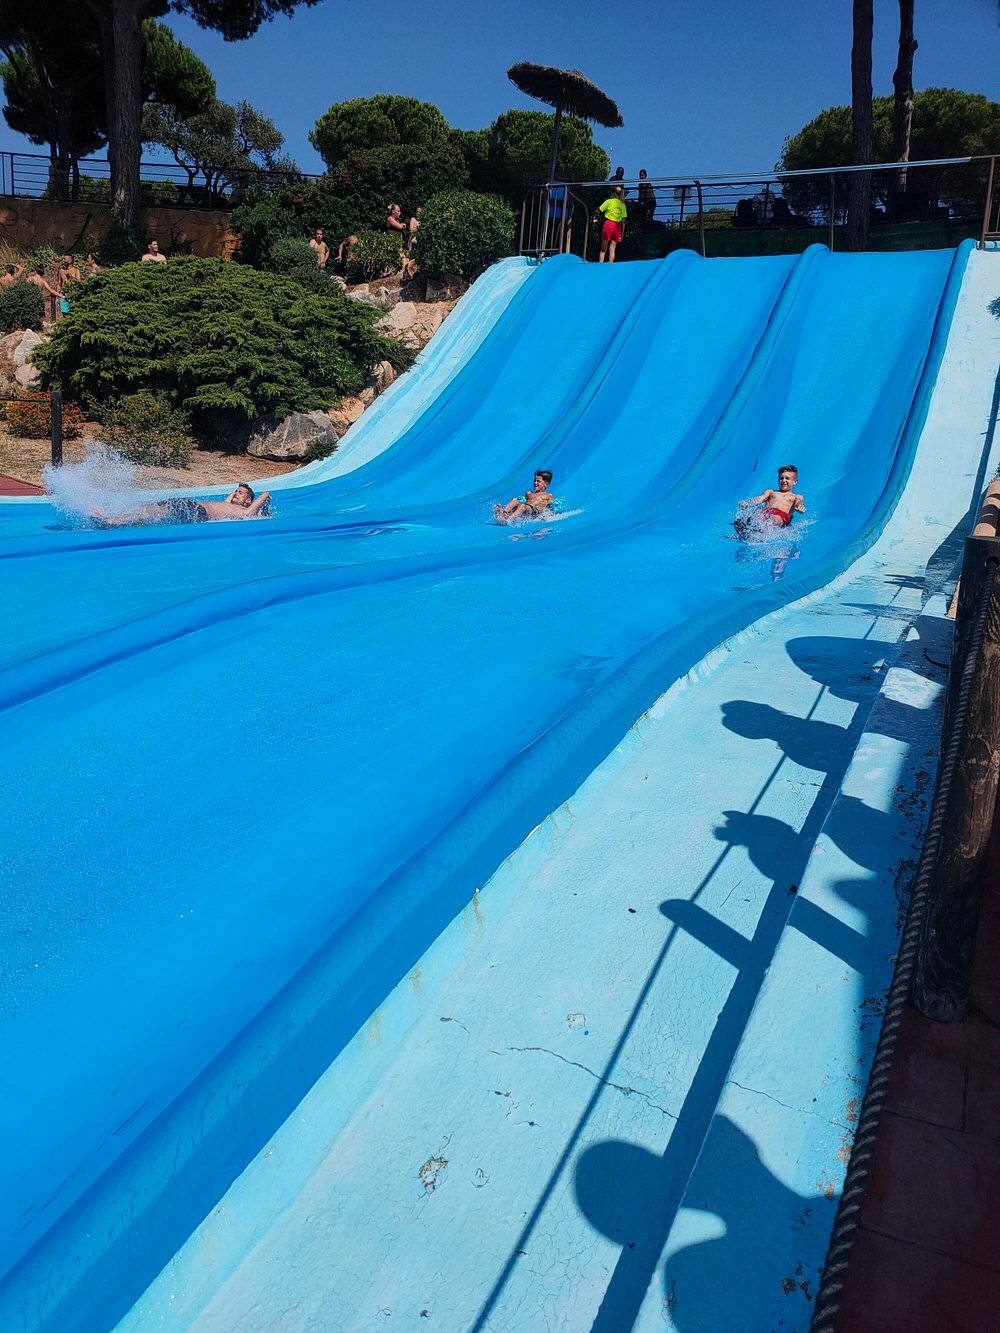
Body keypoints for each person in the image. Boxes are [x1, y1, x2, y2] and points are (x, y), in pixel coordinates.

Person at [92, 482, 272, 529]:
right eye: (235, 491)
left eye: (240, 493)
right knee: (151, 509)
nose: (235, 493)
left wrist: (264, 496)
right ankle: (113, 518)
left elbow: (250, 512)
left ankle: (112, 522)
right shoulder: (229, 505)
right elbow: (228, 500)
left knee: (155, 514)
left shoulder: (243, 511)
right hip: (192, 506)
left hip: (197, 512)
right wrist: (237, 491)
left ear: (249, 500)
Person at [736, 465, 806, 535]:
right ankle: (747, 527)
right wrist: (749, 503)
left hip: (781, 516)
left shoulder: (796, 496)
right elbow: (760, 498)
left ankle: (760, 531)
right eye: (781, 478)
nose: (784, 480)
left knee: (774, 519)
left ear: (795, 481)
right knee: (758, 516)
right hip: (767, 511)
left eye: (787, 478)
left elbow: (799, 503)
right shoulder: (771, 492)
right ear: (778, 480)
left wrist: (799, 507)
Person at [594, 186, 627, 264]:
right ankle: (610, 266)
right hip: (617, 226)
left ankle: (600, 266)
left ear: (612, 193)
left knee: (603, 249)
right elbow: (624, 221)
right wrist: (622, 233)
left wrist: (595, 216)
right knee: (612, 250)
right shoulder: (622, 205)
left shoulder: (609, 201)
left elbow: (598, 210)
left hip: (608, 224)